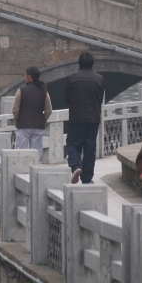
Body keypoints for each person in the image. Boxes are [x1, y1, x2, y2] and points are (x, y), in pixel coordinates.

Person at [64, 51, 104, 184]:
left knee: (72, 144)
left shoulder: (71, 78)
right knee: (89, 148)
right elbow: (100, 99)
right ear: (92, 64)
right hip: (93, 119)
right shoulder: (99, 79)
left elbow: (67, 98)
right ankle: (87, 178)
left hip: (76, 117)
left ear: (79, 63)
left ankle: (76, 166)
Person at [12, 66, 51, 159]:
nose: (24, 76)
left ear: (29, 76)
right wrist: (42, 119)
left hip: (23, 125)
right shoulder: (44, 92)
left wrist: (19, 119)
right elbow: (48, 110)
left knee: (20, 151)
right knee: (36, 153)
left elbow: (15, 109)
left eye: (25, 74)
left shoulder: (21, 90)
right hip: (38, 125)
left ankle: (21, 171)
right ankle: (34, 171)